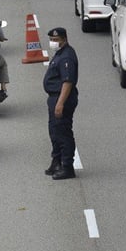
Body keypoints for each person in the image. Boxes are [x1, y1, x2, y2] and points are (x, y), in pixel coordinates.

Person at [43, 27, 78, 180]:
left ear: (64, 39)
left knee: (63, 133)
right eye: (51, 40)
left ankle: (67, 166)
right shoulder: (60, 54)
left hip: (62, 98)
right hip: (54, 97)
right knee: (54, 131)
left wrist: (60, 103)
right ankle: (56, 161)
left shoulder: (66, 57)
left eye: (56, 40)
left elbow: (68, 82)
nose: (53, 42)